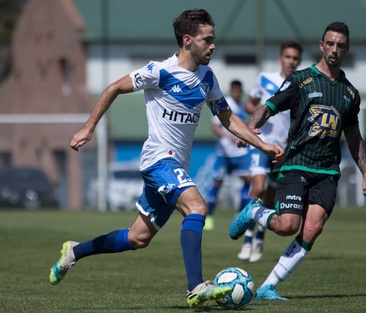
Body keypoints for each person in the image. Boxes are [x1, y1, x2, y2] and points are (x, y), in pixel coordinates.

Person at [48, 9, 284, 308]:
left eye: (214, 39)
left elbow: (227, 117)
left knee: (137, 238)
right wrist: (89, 127)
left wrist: (261, 144)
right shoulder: (160, 71)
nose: (213, 46)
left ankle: (73, 252)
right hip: (158, 160)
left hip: (175, 166)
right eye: (207, 40)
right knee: (197, 206)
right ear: (188, 41)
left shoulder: (208, 78)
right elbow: (113, 88)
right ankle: (196, 286)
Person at [230, 21, 366, 300]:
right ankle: (254, 212)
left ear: (346, 49)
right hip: (297, 163)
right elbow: (268, 106)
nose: (335, 50)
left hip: (327, 170)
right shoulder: (301, 80)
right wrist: (249, 130)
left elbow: (353, 137)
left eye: (341, 46)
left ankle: (268, 286)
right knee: (287, 226)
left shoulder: (349, 94)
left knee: (312, 229)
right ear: (322, 45)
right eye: (330, 44)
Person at [238, 41, 303, 262]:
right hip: (262, 142)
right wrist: (258, 116)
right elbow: (250, 104)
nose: (291, 62)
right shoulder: (265, 78)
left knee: (271, 195)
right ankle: (248, 238)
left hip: (283, 148)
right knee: (257, 187)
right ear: (280, 58)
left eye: (295, 58)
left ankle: (259, 239)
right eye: (288, 57)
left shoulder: (300, 83)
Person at [204, 80, 251, 230]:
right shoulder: (224, 104)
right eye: (234, 91)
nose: (236, 93)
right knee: (217, 183)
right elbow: (214, 127)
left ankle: (239, 214)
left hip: (241, 153)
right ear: (231, 91)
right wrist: (228, 137)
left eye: (239, 91)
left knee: (248, 180)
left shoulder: (244, 106)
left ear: (241, 92)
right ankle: (209, 216)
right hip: (224, 152)